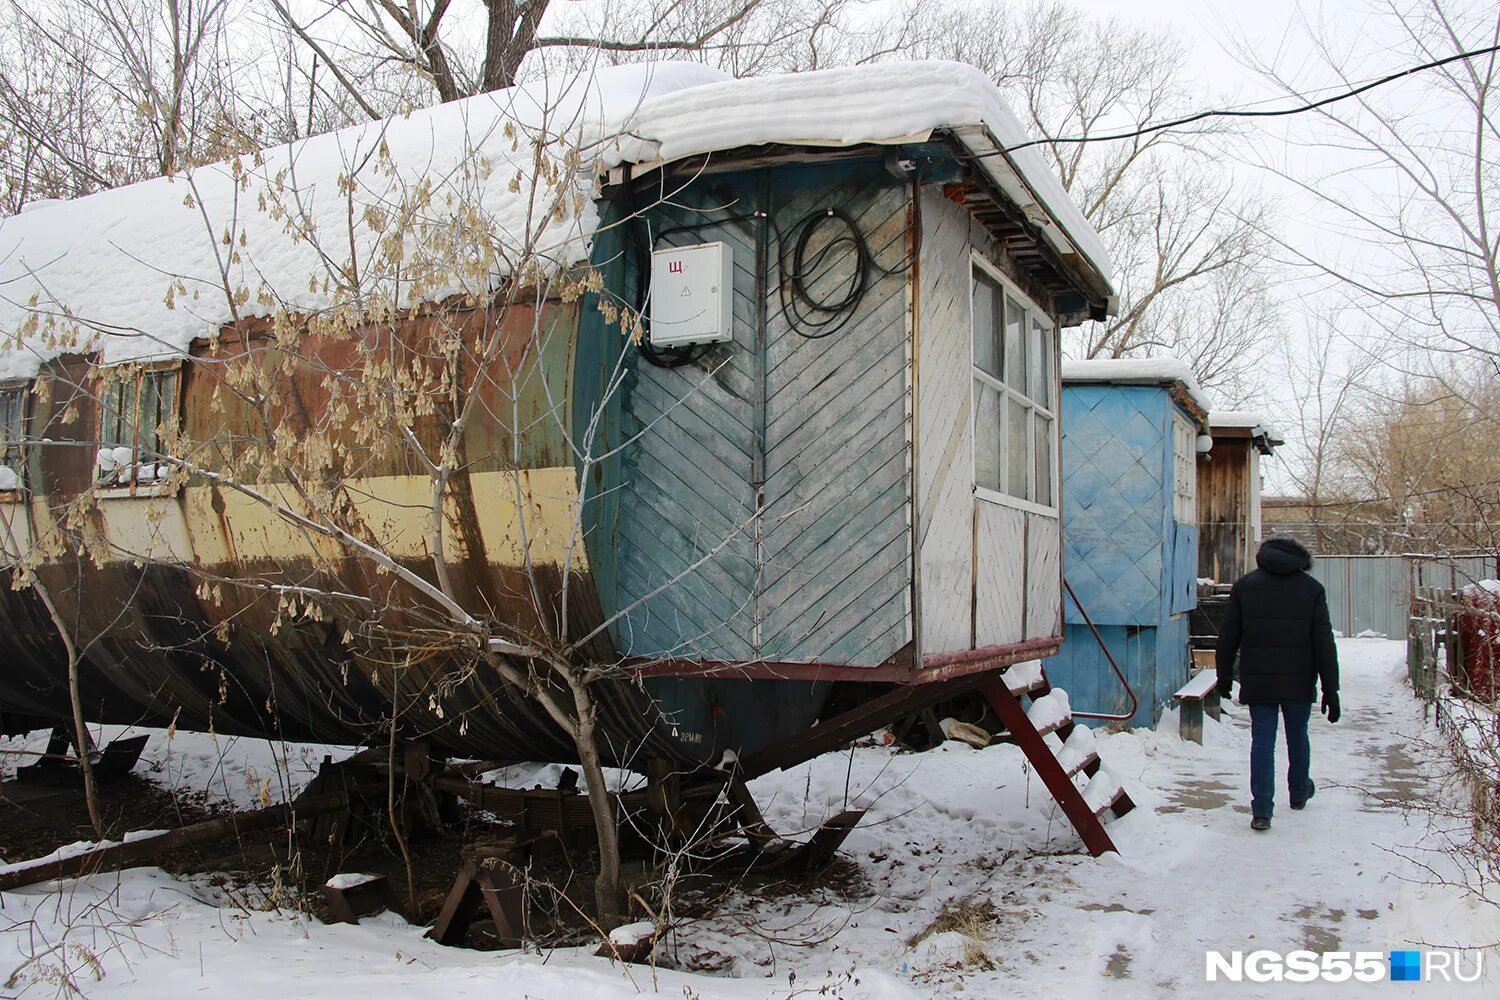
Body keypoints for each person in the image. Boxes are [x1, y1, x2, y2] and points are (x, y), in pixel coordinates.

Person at [1215, 535, 1340, 831]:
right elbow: (1323, 642)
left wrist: (1224, 675)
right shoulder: (1311, 589)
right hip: (1299, 679)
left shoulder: (1245, 587)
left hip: (1259, 680)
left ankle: (1261, 811)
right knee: (1297, 736)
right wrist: (1330, 688)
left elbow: (1228, 635)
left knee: (1262, 743)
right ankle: (1298, 792)